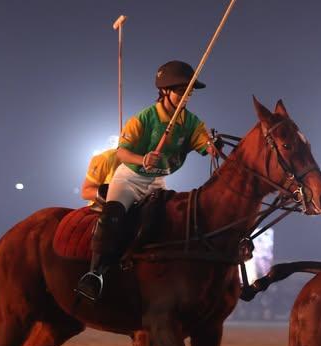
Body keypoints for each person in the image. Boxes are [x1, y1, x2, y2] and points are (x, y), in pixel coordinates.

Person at [76, 60, 218, 300]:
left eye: (189, 92)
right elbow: (122, 153)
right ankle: (95, 274)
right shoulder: (143, 118)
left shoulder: (192, 122)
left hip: (158, 182)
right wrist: (143, 159)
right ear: (164, 91)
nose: (186, 97)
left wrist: (212, 146)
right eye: (181, 91)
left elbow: (204, 144)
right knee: (112, 216)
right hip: (130, 179)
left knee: (165, 220)